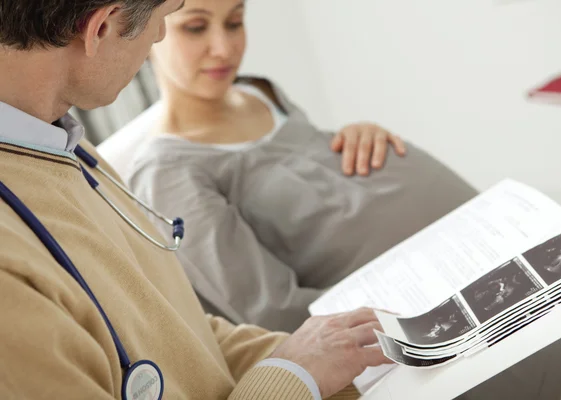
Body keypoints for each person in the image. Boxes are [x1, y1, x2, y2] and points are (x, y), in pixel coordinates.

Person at [0, 1, 392, 399]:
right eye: (164, 19)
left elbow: (183, 334)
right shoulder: (9, 284)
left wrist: (344, 365)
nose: (159, 36)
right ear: (100, 27)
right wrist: (295, 374)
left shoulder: (60, 142)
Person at [99, 0, 478, 332]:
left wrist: (354, 135)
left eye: (235, 21)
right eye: (196, 28)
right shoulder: (166, 174)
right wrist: (416, 303)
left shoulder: (259, 91)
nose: (224, 47)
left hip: (470, 240)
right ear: (151, 32)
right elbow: (271, 312)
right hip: (427, 303)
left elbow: (322, 177)